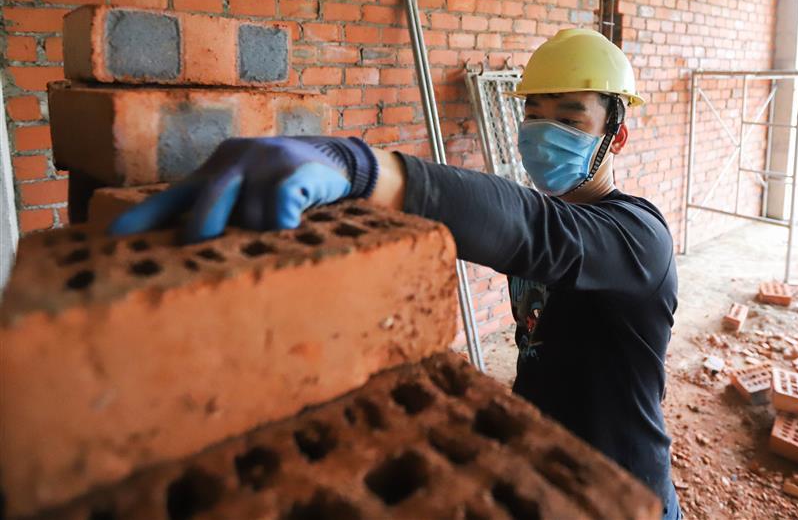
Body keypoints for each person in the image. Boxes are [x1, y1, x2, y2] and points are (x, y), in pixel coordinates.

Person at [111, 28, 681, 519]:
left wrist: (362, 168)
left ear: (616, 136)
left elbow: (532, 227)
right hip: (544, 471)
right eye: (534, 114)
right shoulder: (559, 218)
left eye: (570, 117)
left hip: (625, 489)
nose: (543, 131)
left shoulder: (640, 237)